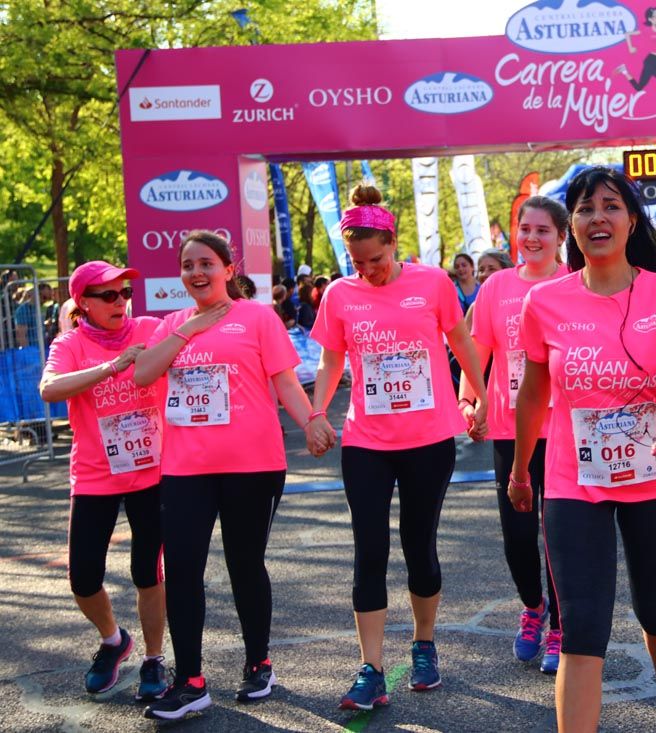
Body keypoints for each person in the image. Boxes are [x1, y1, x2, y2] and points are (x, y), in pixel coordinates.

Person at [510, 167, 656, 733]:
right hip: (575, 485)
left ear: (631, 219)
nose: (598, 217)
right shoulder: (544, 303)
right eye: (585, 208)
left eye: (611, 206)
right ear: (571, 225)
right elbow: (532, 394)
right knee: (582, 627)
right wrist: (521, 470)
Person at [307, 184, 488, 711]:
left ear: (394, 243)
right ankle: (371, 668)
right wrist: (317, 413)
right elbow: (330, 362)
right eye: (358, 263)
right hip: (366, 441)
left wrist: (480, 398)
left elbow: (462, 344)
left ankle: (424, 644)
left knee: (418, 547)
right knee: (370, 551)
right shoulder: (341, 295)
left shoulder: (432, 283)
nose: (369, 271)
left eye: (377, 260)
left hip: (429, 439)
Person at [134, 231, 321, 720]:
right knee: (182, 571)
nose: (197, 273)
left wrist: (312, 421)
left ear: (228, 268)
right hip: (184, 469)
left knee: (244, 564)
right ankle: (190, 680)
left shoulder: (257, 317)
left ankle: (258, 661)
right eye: (188, 266)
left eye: (206, 264)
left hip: (252, 466)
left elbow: (284, 381)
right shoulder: (171, 325)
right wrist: (188, 331)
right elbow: (142, 374)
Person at [38, 261, 168, 702]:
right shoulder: (69, 343)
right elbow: (50, 389)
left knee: (147, 572)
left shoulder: (150, 328)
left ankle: (154, 659)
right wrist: (113, 367)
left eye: (124, 293)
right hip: (96, 475)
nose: (120, 302)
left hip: (152, 471)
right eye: (108, 296)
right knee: (83, 577)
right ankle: (113, 640)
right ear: (83, 304)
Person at [458, 196, 568, 674]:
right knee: (517, 535)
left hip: (567, 425)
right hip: (510, 426)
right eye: (525, 229)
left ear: (561, 237)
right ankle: (533, 606)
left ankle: (562, 625)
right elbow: (477, 348)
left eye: (543, 230)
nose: (532, 238)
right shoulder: (498, 286)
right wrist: (469, 400)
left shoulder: (575, 282)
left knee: (561, 532)